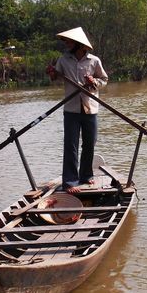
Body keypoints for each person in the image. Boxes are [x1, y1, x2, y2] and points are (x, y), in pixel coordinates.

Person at [46, 26, 109, 194]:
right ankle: (70, 182)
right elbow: (55, 77)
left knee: (89, 143)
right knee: (71, 145)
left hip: (90, 108)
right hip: (71, 109)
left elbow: (104, 79)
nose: (66, 44)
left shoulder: (94, 61)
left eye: (68, 41)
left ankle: (86, 175)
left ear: (78, 44)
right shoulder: (64, 60)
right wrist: (52, 73)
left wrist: (93, 82)